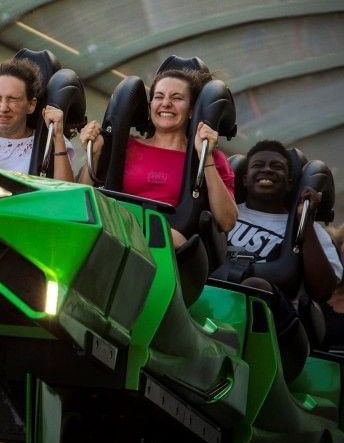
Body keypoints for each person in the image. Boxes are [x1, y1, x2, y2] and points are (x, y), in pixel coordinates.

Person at [78, 67, 238, 245]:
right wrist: (94, 154)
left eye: (177, 98)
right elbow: (79, 203)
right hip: (116, 233)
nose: (166, 103)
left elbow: (227, 221)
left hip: (170, 246)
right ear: (150, 106)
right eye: (159, 97)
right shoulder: (123, 147)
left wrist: (205, 158)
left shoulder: (210, 156)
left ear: (191, 110)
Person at [225, 141, 341, 306]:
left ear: (289, 183)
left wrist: (305, 224)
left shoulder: (309, 227)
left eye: (276, 167)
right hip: (210, 296)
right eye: (258, 165)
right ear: (244, 180)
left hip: (271, 314)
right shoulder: (225, 210)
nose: (267, 170)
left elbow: (323, 290)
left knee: (255, 287)